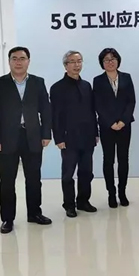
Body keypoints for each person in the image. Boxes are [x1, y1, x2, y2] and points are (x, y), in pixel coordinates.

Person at [0, 47, 53, 234]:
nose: (18, 62)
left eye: (22, 58)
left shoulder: (38, 82)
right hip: (6, 139)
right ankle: (7, 219)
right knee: (7, 181)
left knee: (34, 179)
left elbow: (46, 110)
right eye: (14, 58)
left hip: (33, 137)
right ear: (9, 61)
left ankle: (34, 213)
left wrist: (46, 134)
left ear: (28, 61)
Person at [50, 51, 99, 218]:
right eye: (72, 62)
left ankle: (83, 201)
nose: (76, 65)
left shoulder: (86, 86)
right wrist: (58, 138)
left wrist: (96, 133)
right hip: (68, 138)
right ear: (65, 65)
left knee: (86, 172)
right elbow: (55, 115)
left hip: (87, 136)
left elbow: (92, 112)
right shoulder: (57, 88)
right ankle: (69, 205)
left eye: (79, 61)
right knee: (68, 174)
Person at [93, 48, 136, 209]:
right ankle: (111, 193)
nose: (110, 62)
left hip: (125, 125)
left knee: (123, 159)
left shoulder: (126, 77)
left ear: (118, 60)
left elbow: (131, 101)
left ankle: (122, 192)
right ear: (102, 63)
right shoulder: (98, 80)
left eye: (113, 59)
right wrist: (110, 122)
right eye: (106, 60)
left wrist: (123, 121)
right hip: (107, 126)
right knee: (108, 160)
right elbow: (98, 104)